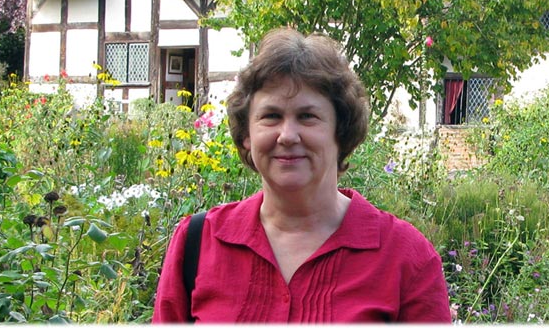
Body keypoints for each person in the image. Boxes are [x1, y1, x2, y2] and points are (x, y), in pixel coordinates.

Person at [152, 27, 451, 323]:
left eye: (307, 116)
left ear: (341, 131)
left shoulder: (405, 259)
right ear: (246, 135)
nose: (288, 135)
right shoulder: (198, 244)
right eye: (271, 116)